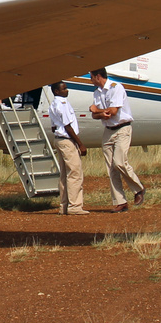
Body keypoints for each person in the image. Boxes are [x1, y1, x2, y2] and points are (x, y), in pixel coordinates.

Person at [89, 67, 145, 212]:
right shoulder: (97, 93)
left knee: (120, 162)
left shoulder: (116, 88)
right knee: (111, 169)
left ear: (98, 76)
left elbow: (113, 112)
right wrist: (100, 113)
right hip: (108, 131)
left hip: (122, 128)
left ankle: (138, 189)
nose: (90, 80)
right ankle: (120, 202)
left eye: (91, 77)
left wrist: (96, 110)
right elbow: (95, 116)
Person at [47, 81, 89, 215]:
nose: (67, 90)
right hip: (67, 140)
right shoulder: (63, 104)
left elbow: (54, 127)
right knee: (75, 173)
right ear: (57, 91)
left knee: (64, 175)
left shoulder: (53, 104)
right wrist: (80, 143)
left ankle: (64, 206)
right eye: (64, 88)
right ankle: (75, 206)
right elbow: (68, 126)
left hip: (58, 140)